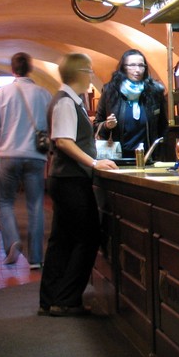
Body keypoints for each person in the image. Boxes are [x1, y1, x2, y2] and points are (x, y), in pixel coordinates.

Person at [40, 52, 118, 317]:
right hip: (70, 179)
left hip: (65, 178)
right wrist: (94, 163)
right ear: (79, 73)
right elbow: (63, 141)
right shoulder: (66, 102)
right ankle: (67, 299)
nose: (91, 75)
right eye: (89, 70)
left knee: (61, 240)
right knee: (88, 237)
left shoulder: (70, 100)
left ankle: (50, 299)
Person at [0, 52, 51, 269]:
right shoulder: (44, 94)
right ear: (30, 69)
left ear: (12, 70)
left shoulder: (2, 93)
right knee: (36, 205)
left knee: (4, 201)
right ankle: (36, 258)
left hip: (9, 155)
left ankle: (12, 240)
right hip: (36, 156)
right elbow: (52, 125)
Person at [94, 49, 168, 159]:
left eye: (141, 65)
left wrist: (159, 153)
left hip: (148, 157)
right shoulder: (110, 91)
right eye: (132, 65)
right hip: (118, 157)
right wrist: (107, 125)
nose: (137, 70)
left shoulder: (155, 91)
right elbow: (96, 125)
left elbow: (163, 126)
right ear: (123, 67)